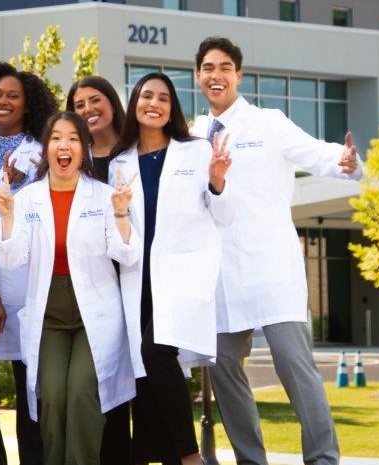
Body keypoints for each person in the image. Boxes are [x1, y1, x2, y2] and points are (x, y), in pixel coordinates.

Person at [191, 36, 362, 465]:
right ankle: (251, 460)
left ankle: (322, 458)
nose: (217, 75)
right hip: (220, 281)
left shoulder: (268, 122)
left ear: (239, 76)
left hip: (271, 273)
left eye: (225, 67)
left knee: (296, 370)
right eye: (209, 67)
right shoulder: (193, 134)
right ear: (198, 76)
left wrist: (345, 161)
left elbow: (316, 152)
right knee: (225, 372)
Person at [0, 111, 140, 465]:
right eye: (56, 137)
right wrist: (8, 216)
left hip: (95, 315)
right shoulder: (27, 199)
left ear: (84, 148)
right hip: (49, 315)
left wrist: (121, 214)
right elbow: (11, 259)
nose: (64, 145)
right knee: (54, 395)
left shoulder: (104, 196)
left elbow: (128, 254)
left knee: (82, 394)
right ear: (46, 148)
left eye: (73, 138)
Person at [108, 72, 232, 465]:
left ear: (172, 107)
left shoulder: (196, 151)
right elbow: (118, 224)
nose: (154, 103)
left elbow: (223, 215)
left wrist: (216, 182)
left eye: (163, 98)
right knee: (145, 372)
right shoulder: (120, 162)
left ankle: (189, 455)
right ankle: (150, 453)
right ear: (135, 103)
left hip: (181, 276)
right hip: (136, 278)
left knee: (155, 352)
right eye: (147, 96)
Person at [0, 61, 56, 465]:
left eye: (13, 96)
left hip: (24, 282)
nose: (3, 102)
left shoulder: (43, 152)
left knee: (28, 383)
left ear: (28, 103)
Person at [66, 76, 131, 465]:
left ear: (112, 103)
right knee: (99, 383)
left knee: (129, 384)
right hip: (90, 286)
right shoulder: (73, 161)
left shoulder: (134, 152)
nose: (88, 109)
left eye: (96, 100)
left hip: (134, 277)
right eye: (79, 104)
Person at [66, 75, 125, 181]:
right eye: (80, 106)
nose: (88, 109)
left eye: (95, 100)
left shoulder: (137, 148)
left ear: (113, 105)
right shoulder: (73, 158)